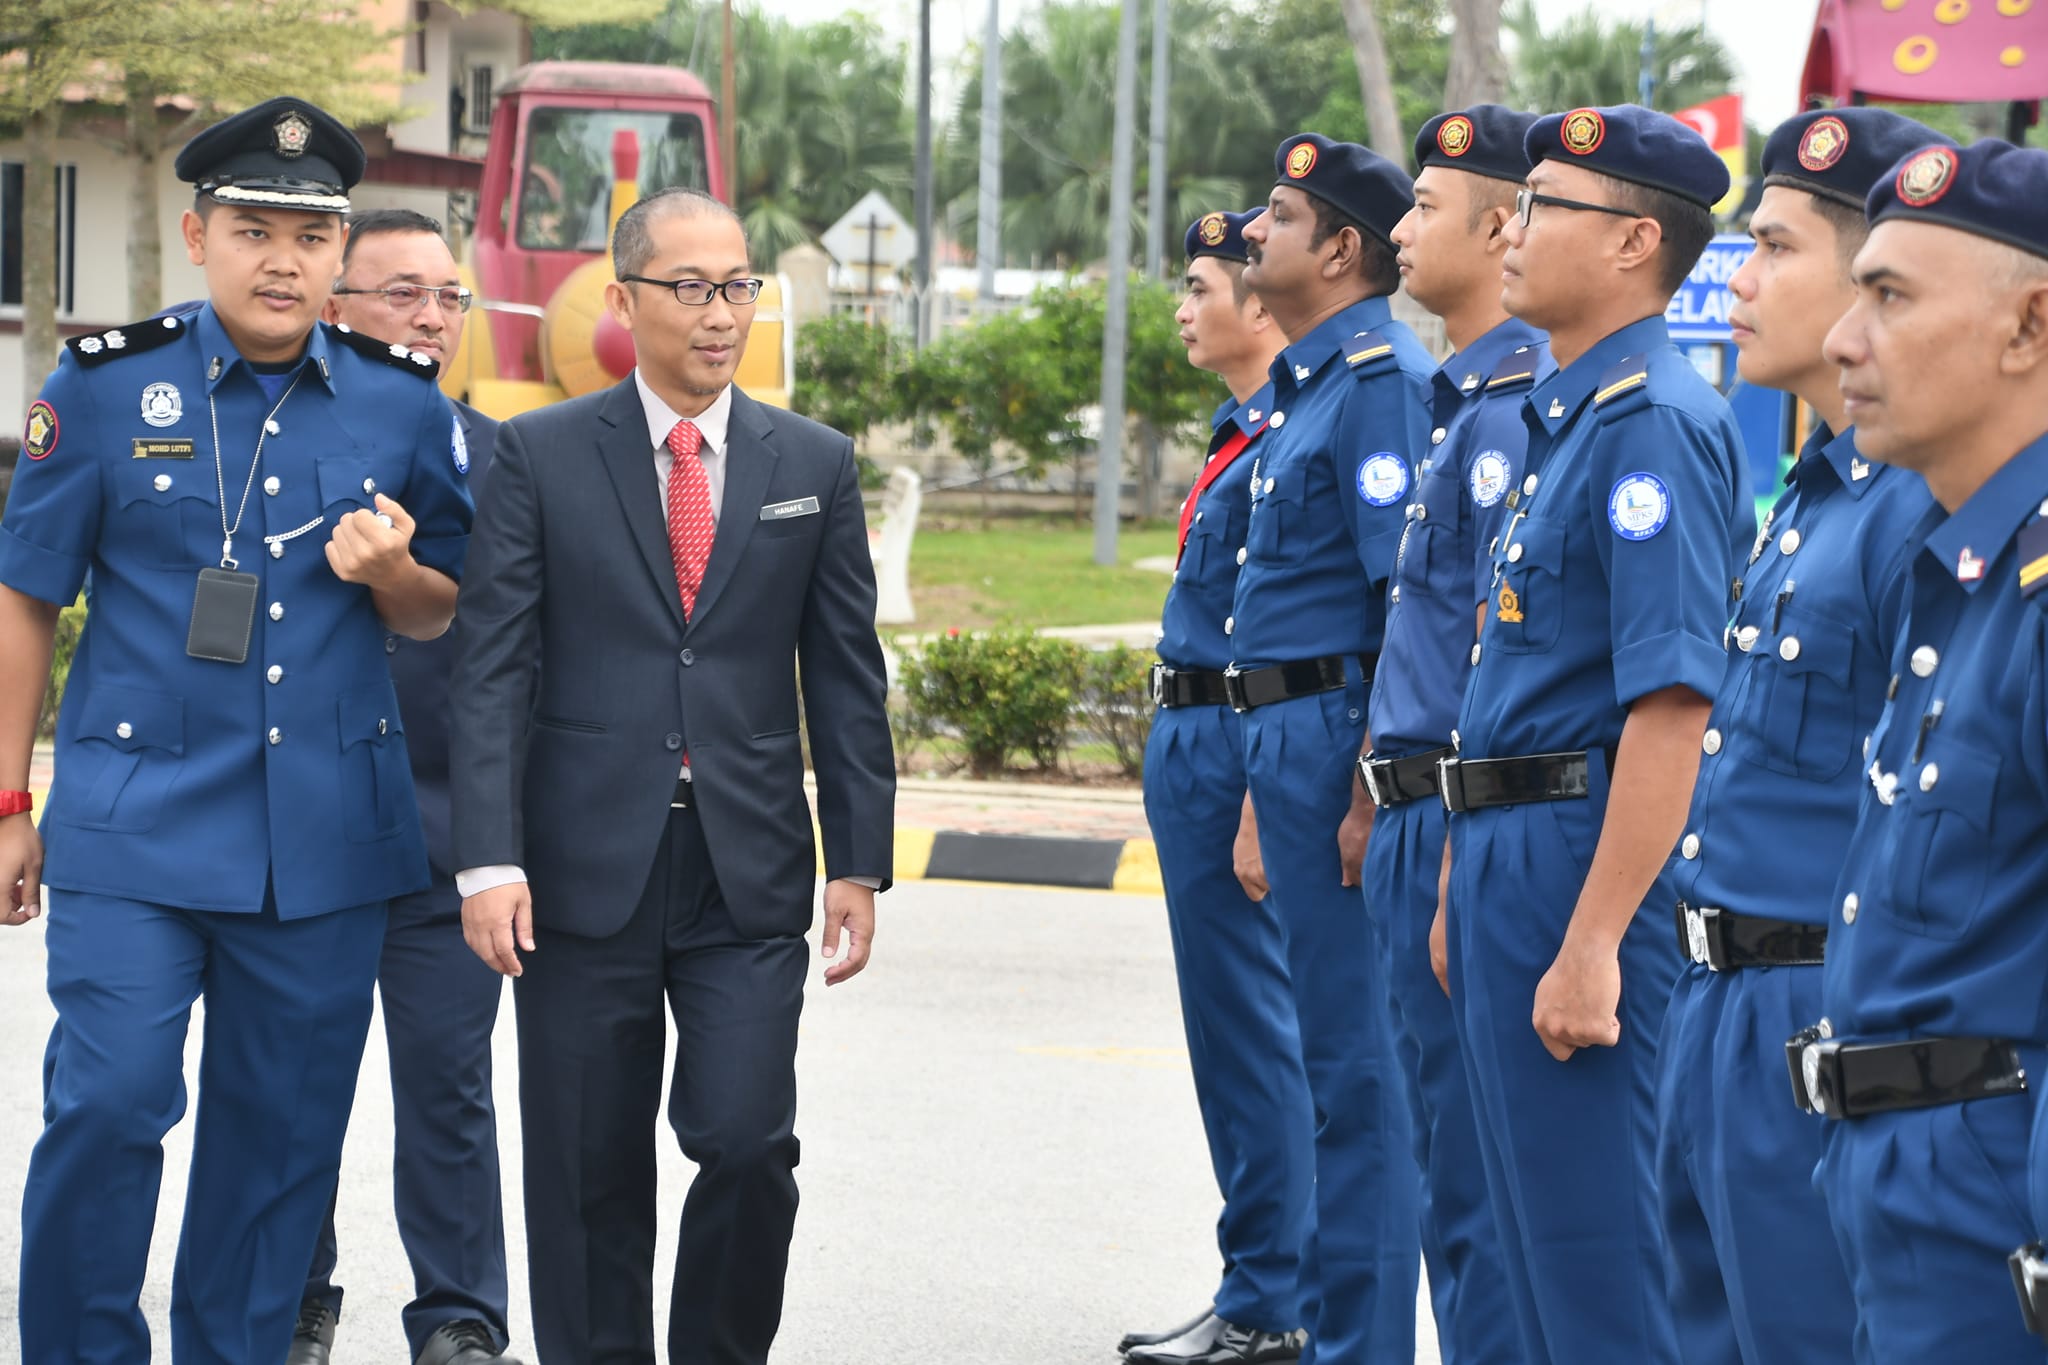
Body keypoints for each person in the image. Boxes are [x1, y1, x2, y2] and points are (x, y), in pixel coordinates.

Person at [0, 96, 472, 1364]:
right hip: (133, 824)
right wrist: (6, 800)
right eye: (253, 230)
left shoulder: (402, 406)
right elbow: (26, 595)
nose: (281, 259)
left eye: (309, 238)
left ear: (336, 261)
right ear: (198, 234)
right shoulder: (98, 391)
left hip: (322, 844)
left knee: (277, 1147)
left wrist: (391, 574)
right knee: (104, 1107)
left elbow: (442, 610)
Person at [447, 187, 895, 1365]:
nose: (720, 313)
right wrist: (488, 858)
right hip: (580, 868)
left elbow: (846, 676)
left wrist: (857, 859)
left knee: (748, 1143)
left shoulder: (812, 462)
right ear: (625, 299)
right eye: (691, 288)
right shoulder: (537, 454)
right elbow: (491, 669)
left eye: (738, 286)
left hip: (744, 873)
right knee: (586, 1168)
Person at [1436, 105, 1747, 1365]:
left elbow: (1668, 709)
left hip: (1579, 858)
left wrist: (1593, 940)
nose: (1508, 226)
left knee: (1598, 1268)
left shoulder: (1651, 426)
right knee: (1525, 1252)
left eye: (1543, 205)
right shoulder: (1568, 414)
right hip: (1514, 847)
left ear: (1630, 243)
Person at [1653, 108, 1947, 1365]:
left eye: (1772, 246)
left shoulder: (1909, 513)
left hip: (1810, 1017)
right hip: (1713, 999)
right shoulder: (1815, 493)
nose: (1738, 275)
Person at [1790, 138, 2048, 1362]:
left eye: (1887, 296)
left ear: (2027, 326)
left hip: (1992, 1214)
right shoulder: (1961, 569)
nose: (1843, 341)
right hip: (1895, 1186)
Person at [288, 209, 522, 1365]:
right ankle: (292, 1301)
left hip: (442, 836)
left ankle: (461, 1321)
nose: (431, 316)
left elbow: (516, 646)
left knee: (448, 1093)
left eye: (448, 296)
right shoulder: (267, 440)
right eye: (400, 293)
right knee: (291, 1091)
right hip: (301, 838)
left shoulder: (499, 457)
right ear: (334, 306)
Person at [1230, 133, 1434, 1365]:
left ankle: (1359, 1348)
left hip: (1329, 741)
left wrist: (1362, 791)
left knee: (1360, 1082)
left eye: (1274, 216)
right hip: (1283, 737)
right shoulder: (1314, 384)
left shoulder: (1376, 385)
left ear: (1340, 249)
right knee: (1326, 1069)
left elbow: (1395, 605)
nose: (1253, 234)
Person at [1366, 103, 1547, 1365]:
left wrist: (1439, 847)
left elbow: (1496, 660)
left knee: (1481, 1191)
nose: (1400, 226)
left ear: (1498, 229)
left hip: (1458, 815)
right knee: (1441, 1163)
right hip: (1411, 809)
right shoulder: (1454, 398)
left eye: (1425, 206)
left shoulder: (1514, 409)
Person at [1121, 209, 1313, 1365]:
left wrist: (1256, 792)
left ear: (1259, 300)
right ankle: (1258, 1280)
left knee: (1256, 1036)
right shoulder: (1241, 430)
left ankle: (1270, 1296)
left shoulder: (1297, 426)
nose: (1186, 308)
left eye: (1202, 286)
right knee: (1229, 1036)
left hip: (1236, 747)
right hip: (1193, 739)